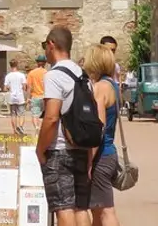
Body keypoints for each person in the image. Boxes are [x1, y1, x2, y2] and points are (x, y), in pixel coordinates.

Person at [36, 27, 92, 226]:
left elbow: (51, 117)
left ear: (51, 44)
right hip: (81, 147)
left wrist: (40, 149)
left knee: (63, 207)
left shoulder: (54, 75)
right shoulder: (83, 75)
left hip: (59, 149)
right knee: (81, 207)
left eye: (45, 46)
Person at [81, 44, 122, 226]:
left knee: (106, 210)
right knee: (97, 209)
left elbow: (98, 127)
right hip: (109, 152)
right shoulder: (113, 85)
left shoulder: (99, 88)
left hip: (101, 155)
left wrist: (89, 159)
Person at [3, 60, 30, 134]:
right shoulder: (21, 75)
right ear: (17, 65)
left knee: (13, 114)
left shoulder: (8, 76)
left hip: (12, 97)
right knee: (21, 114)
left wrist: (9, 88)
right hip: (20, 96)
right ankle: (20, 127)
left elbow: (5, 88)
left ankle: (14, 130)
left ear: (10, 65)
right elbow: (24, 87)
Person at [28, 55, 49, 119]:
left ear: (37, 62)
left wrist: (28, 98)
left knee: (35, 114)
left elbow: (29, 86)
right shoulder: (47, 73)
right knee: (45, 114)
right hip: (45, 96)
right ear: (45, 63)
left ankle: (37, 127)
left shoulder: (31, 73)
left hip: (35, 96)